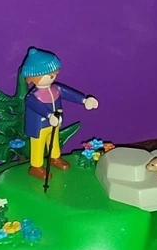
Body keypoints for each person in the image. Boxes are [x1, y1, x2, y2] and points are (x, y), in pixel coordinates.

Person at [21, 47, 99, 180]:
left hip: (54, 123)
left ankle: (55, 158)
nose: (52, 76)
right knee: (38, 146)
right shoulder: (32, 97)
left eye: (53, 73)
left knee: (54, 142)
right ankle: (36, 166)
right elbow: (38, 107)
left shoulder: (56, 89)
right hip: (39, 127)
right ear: (33, 78)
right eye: (48, 75)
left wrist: (84, 100)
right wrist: (49, 115)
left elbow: (70, 94)